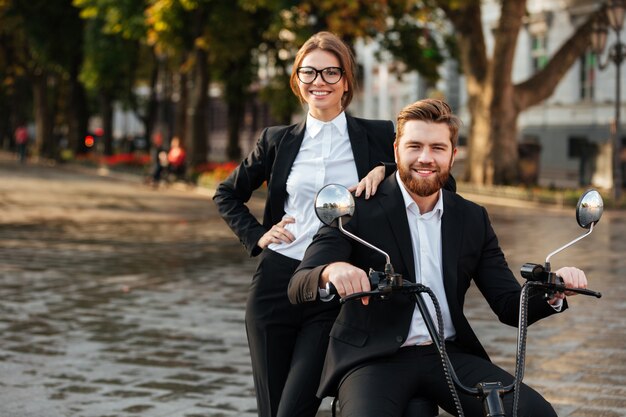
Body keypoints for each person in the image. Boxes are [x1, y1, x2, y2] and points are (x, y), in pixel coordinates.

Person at [288, 98, 588, 417]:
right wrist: (331, 271)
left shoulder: (472, 218)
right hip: (373, 358)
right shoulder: (357, 209)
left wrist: (554, 290)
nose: (426, 158)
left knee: (535, 412)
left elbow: (509, 304)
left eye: (437, 148)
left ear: (453, 155)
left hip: (447, 355)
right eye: (414, 146)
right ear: (396, 150)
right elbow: (299, 282)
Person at [213, 31, 416, 417]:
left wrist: (388, 169)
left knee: (295, 407)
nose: (318, 82)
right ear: (297, 80)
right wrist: (257, 236)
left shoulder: (377, 135)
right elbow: (227, 194)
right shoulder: (276, 140)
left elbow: (437, 178)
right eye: (308, 73)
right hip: (276, 282)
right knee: (271, 408)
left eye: (329, 73)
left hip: (335, 284)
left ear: (346, 82)